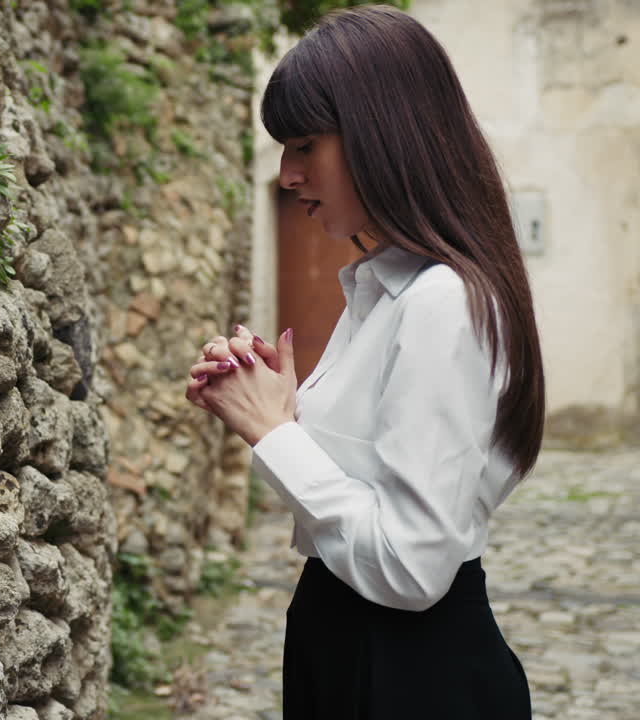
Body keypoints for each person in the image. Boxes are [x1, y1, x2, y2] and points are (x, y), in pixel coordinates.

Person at [184, 5, 543, 719]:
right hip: (352, 643)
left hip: (408, 671)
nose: (287, 175)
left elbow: (412, 568)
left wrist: (275, 434)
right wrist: (281, 410)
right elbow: (369, 485)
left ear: (385, 136)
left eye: (304, 145)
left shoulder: (441, 302)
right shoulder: (383, 288)